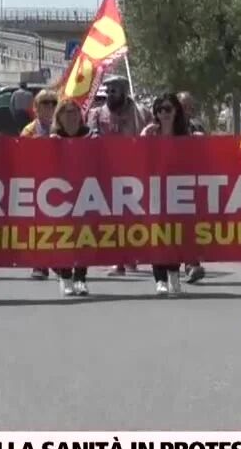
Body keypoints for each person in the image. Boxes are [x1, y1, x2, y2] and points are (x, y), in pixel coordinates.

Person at [88, 76, 149, 276]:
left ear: (124, 91)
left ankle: (131, 257)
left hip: (134, 171)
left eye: (114, 90)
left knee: (132, 218)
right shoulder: (97, 113)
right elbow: (89, 136)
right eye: (108, 90)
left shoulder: (140, 113)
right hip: (107, 172)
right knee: (112, 218)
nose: (110, 94)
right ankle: (117, 259)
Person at [142, 93, 194, 296]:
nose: (164, 113)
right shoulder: (149, 133)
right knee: (158, 234)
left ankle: (174, 272)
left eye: (168, 109)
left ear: (176, 112)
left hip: (178, 188)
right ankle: (160, 279)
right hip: (154, 188)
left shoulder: (184, 134)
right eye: (160, 109)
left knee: (176, 233)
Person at [52, 98, 93, 296]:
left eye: (75, 112)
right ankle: (65, 275)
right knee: (64, 236)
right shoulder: (53, 140)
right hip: (60, 195)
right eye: (67, 112)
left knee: (83, 236)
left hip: (86, 192)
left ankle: (80, 278)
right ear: (59, 117)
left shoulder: (91, 137)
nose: (72, 116)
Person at [20, 89, 58, 280]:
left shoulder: (60, 127)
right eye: (45, 103)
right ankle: (39, 264)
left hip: (59, 182)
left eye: (53, 103)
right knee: (37, 225)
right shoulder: (29, 130)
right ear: (36, 108)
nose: (50, 107)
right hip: (36, 181)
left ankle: (58, 261)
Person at [176, 91, 207, 283]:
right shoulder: (164, 127)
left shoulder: (197, 126)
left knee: (190, 226)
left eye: (189, 106)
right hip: (167, 184)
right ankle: (170, 267)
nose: (186, 110)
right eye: (182, 105)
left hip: (192, 181)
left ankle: (191, 264)